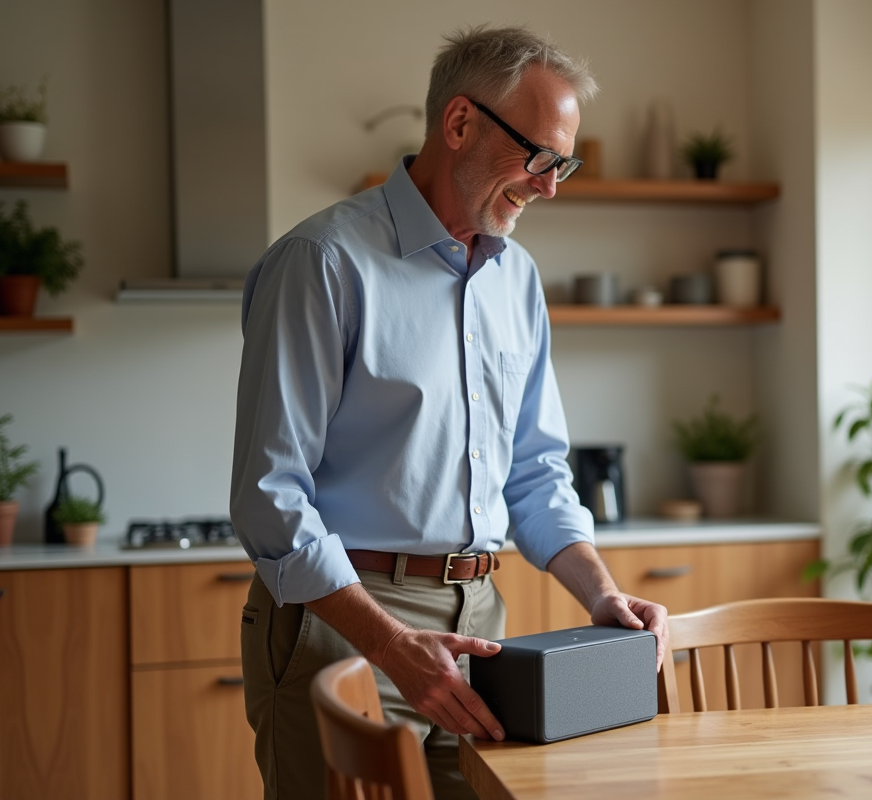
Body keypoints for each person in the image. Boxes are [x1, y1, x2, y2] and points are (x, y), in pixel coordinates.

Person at [229, 24, 669, 800]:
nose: (550, 187)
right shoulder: (323, 264)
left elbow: (534, 473)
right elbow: (270, 497)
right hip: (345, 622)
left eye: (562, 164)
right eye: (539, 157)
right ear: (460, 124)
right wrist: (392, 644)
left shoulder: (517, 279)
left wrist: (601, 593)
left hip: (481, 622)